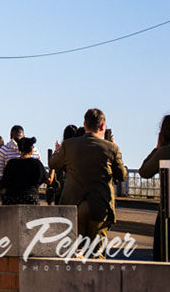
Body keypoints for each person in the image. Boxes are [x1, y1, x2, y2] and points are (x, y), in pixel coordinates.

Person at [49, 108, 127, 257]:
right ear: (103, 126)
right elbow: (122, 175)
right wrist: (114, 149)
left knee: (73, 252)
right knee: (97, 254)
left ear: (84, 125)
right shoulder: (111, 148)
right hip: (99, 206)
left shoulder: (69, 145)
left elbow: (53, 163)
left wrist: (58, 151)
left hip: (73, 206)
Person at [138, 115, 170, 261]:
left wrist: (157, 148)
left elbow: (144, 171)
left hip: (166, 212)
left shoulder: (165, 152)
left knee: (161, 257)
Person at [0, 137, 50, 205]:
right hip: (30, 198)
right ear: (31, 149)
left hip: (12, 200)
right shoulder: (36, 163)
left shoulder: (11, 163)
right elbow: (48, 180)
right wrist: (52, 168)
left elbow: (4, 182)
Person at [0, 125, 40, 192]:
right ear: (24, 136)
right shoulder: (34, 150)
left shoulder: (4, 150)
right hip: (31, 191)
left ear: (10, 136)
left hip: (11, 191)